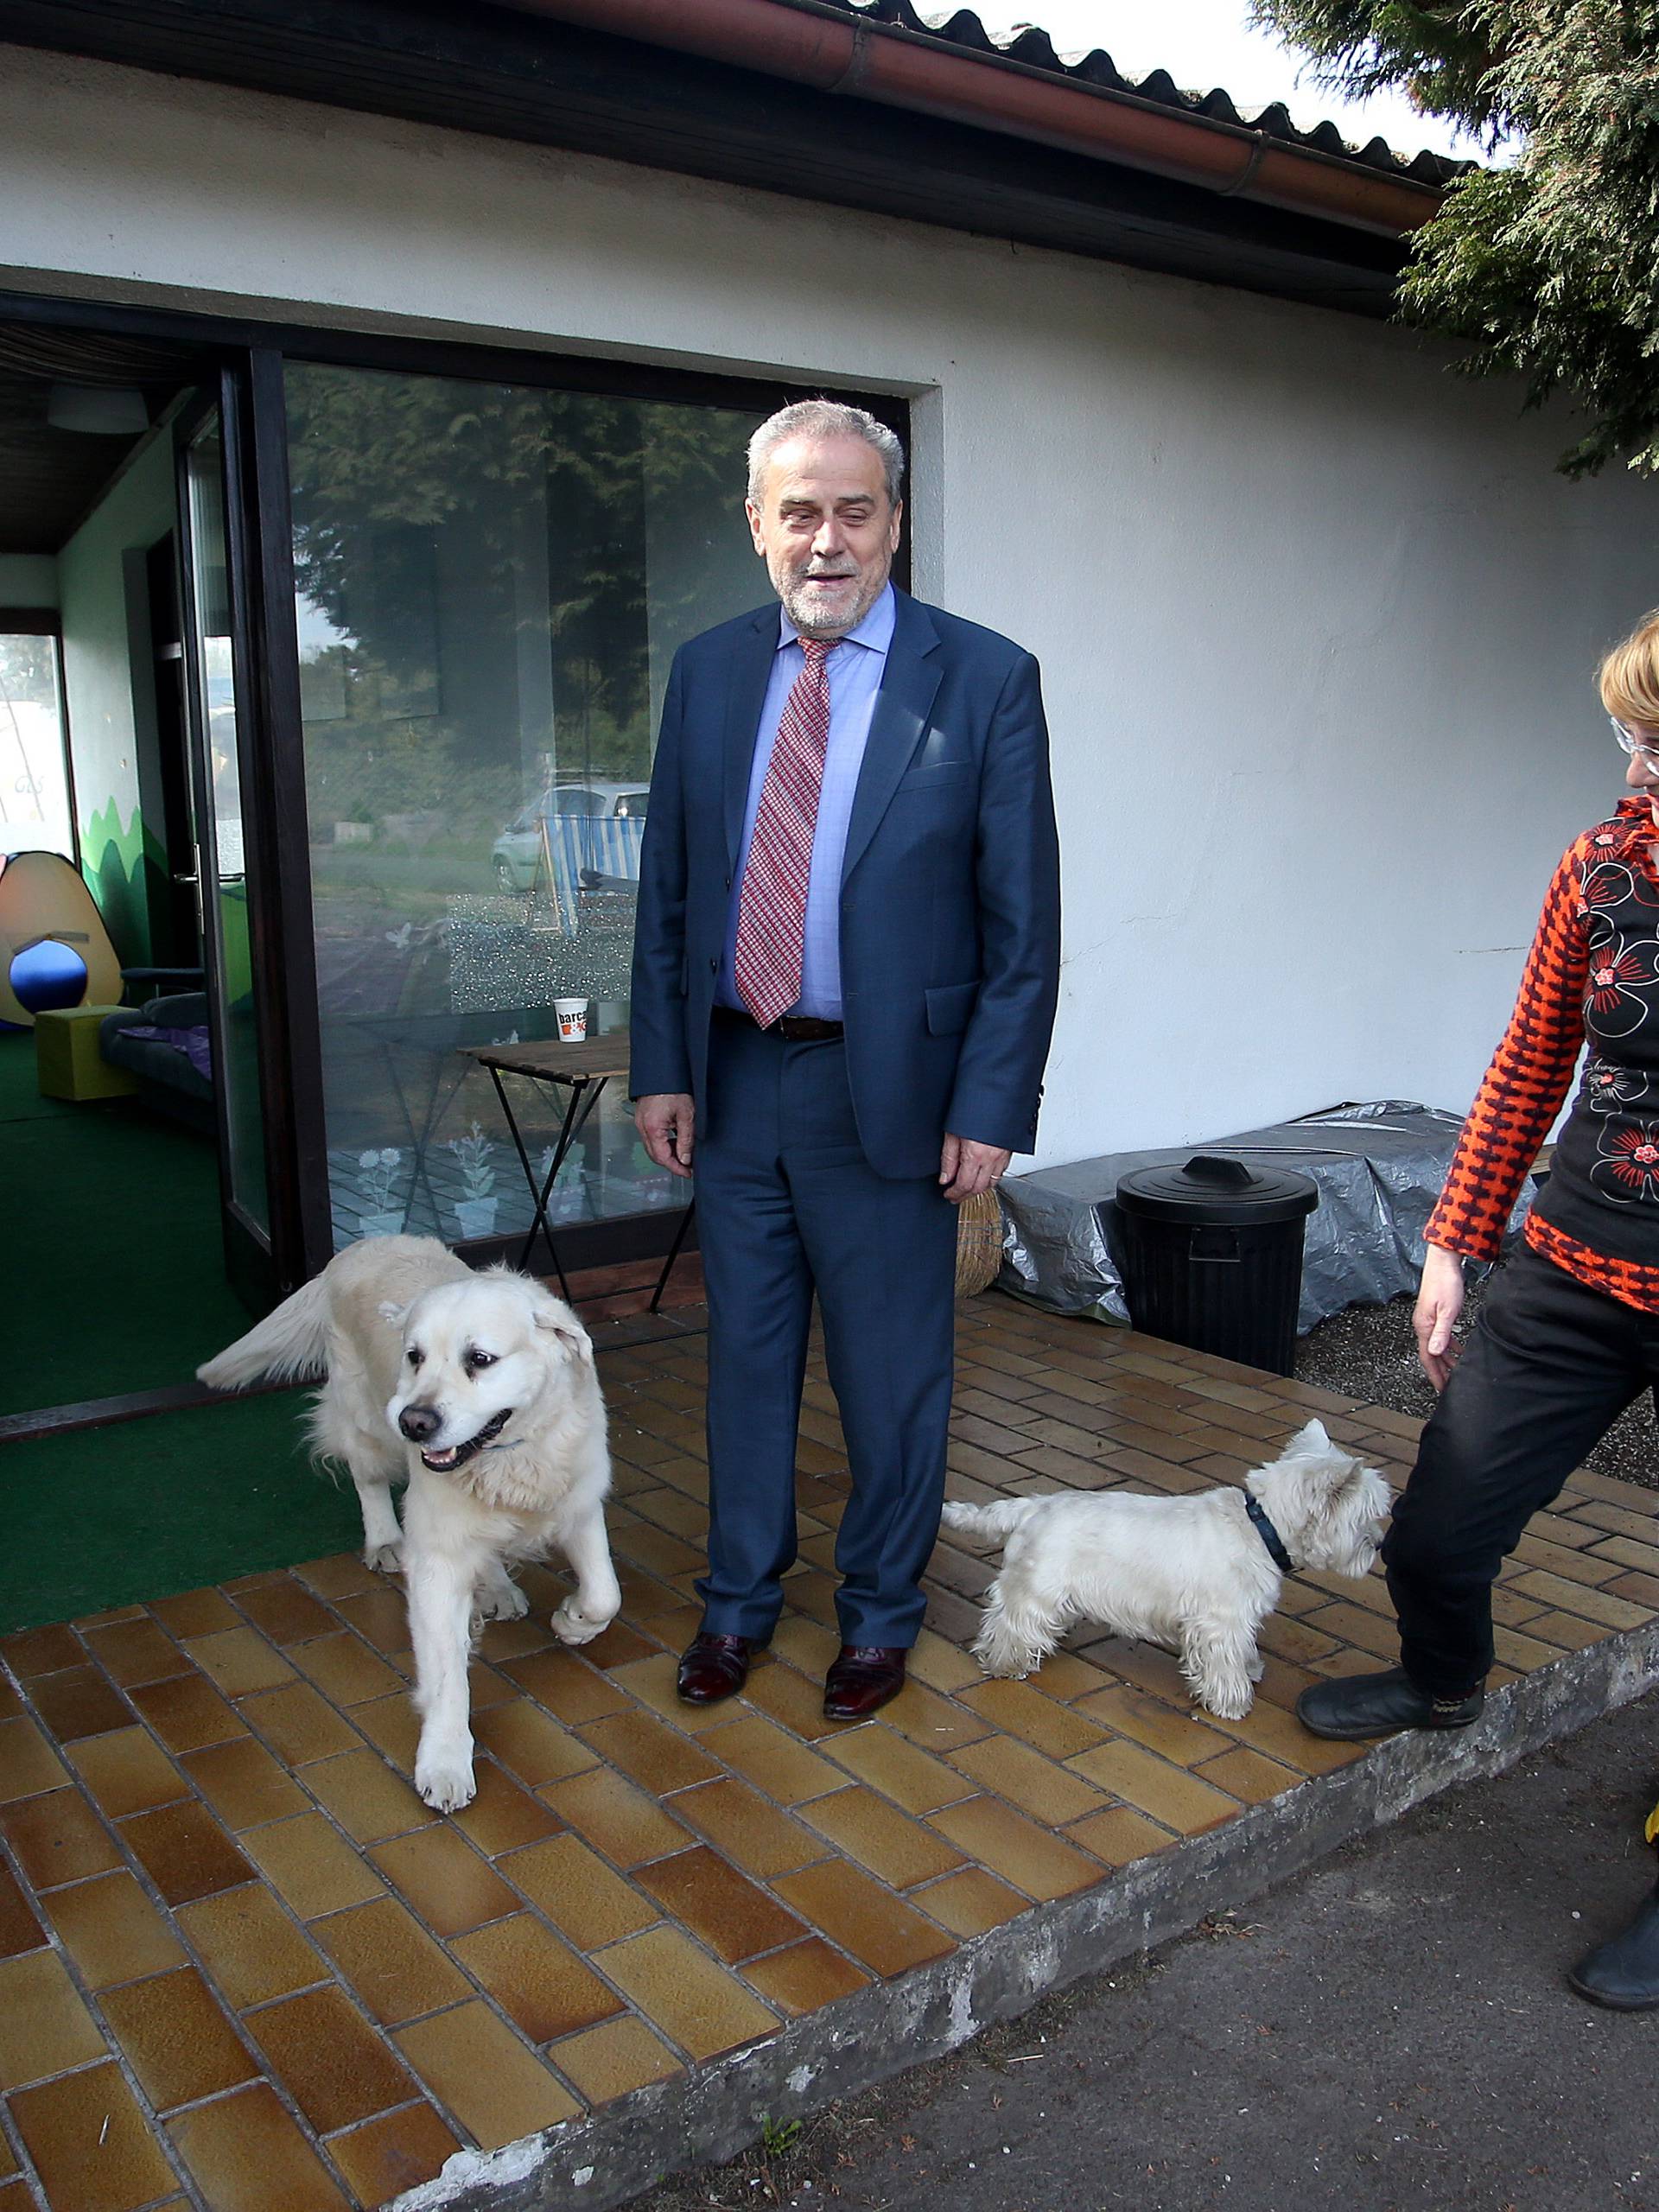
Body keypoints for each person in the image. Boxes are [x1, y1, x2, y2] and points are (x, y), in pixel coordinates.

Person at [629, 398, 1060, 1721]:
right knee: (745, 1369)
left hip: (897, 1099)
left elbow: (1023, 920)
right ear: (757, 523)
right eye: (799, 511)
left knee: (891, 1380)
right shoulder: (707, 672)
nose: (828, 540)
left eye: (854, 510)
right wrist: (663, 1064)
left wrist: (993, 1101)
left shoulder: (982, 677)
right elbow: (672, 894)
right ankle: (738, 1605)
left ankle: (878, 1614)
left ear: (894, 522)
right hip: (740, 1079)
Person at [1295, 607, 1659, 2007]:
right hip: (1576, 1264)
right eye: (1629, 734)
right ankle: (1442, 1681)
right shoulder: (1603, 866)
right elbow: (1529, 1059)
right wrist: (1454, 1243)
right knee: (1439, 1529)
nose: (1634, 766)